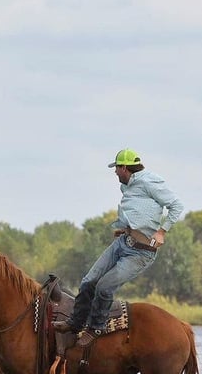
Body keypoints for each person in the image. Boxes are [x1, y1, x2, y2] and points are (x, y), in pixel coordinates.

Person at [62, 148, 184, 347]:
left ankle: (95, 328)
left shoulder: (148, 182)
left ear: (124, 168)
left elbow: (176, 205)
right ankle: (75, 324)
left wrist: (162, 231)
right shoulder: (127, 185)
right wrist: (127, 229)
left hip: (140, 253)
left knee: (104, 287)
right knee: (88, 282)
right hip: (123, 242)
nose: (115, 172)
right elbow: (141, 211)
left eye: (116, 168)